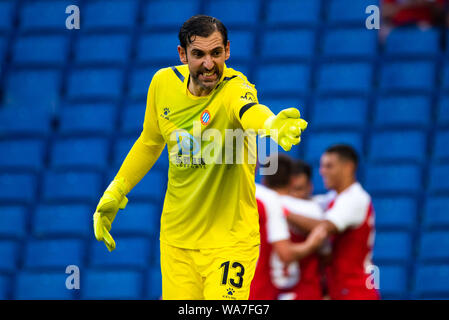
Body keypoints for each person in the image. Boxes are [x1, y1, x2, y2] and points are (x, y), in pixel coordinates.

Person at [91, 15, 308, 300]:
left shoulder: (235, 88)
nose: (209, 64)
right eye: (199, 54)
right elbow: (149, 141)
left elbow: (250, 111)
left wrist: (271, 126)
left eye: (216, 53)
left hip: (230, 243)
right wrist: (116, 190)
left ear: (227, 51)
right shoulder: (162, 84)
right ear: (182, 54)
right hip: (177, 242)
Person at [285, 145, 380, 300]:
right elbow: (305, 205)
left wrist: (281, 211)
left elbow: (323, 227)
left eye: (329, 166)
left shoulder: (355, 198)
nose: (322, 171)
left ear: (349, 167)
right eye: (322, 166)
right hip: (341, 290)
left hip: (355, 291)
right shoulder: (333, 198)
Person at [250, 155, 326, 300]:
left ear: (264, 180)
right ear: (292, 180)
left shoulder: (252, 198)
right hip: (300, 291)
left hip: (249, 286)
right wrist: (312, 244)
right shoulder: (310, 209)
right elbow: (325, 243)